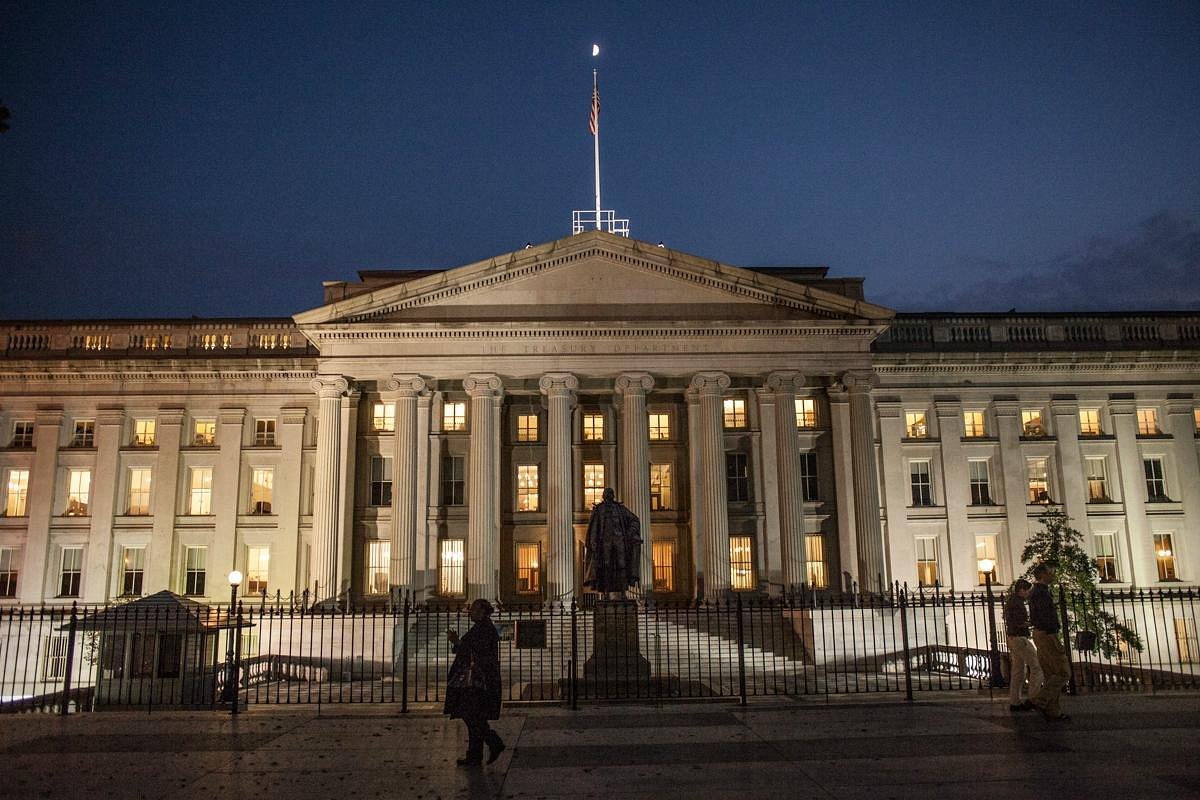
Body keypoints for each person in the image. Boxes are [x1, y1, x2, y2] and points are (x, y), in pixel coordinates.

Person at [444, 598, 506, 766]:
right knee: (473, 716)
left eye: (474, 609)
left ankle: (493, 742)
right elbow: (468, 648)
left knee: (471, 715)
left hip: (479, 681)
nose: (470, 612)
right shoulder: (481, 628)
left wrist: (457, 642)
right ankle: (475, 755)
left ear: (483, 612)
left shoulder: (486, 629)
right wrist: (458, 643)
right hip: (476, 680)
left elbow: (477, 653)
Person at [1028, 563, 1070, 721]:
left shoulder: (1036, 592)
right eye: (1050, 572)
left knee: (1051, 674)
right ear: (1043, 574)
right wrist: (1053, 631)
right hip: (1047, 634)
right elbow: (1046, 616)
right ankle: (1041, 699)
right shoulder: (1041, 593)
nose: (1052, 574)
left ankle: (1053, 711)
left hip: (1041, 633)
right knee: (1063, 672)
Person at [583, 487, 643, 599]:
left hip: (619, 540)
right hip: (605, 542)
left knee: (622, 565)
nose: (608, 496)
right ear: (603, 496)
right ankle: (606, 593)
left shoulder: (620, 508)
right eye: (606, 494)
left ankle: (623, 593)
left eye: (610, 494)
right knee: (606, 566)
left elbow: (635, 519)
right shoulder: (599, 509)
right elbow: (594, 527)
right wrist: (593, 542)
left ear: (612, 496)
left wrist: (629, 532)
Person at [1003, 578, 1043, 712]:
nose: (1028, 594)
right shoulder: (1017, 603)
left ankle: (1015, 701)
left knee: (1018, 670)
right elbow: (1019, 622)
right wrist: (1033, 623)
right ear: (1021, 590)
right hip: (1020, 638)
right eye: (1027, 591)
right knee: (1036, 666)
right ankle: (1033, 698)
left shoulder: (1011, 602)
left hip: (1013, 637)